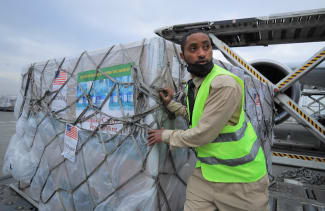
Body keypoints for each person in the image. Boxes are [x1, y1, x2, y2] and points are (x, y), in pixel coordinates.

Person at [147, 30, 269, 211]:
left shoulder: (224, 84)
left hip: (242, 179)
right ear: (183, 56)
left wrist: (165, 135)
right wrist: (170, 104)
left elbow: (203, 133)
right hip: (206, 173)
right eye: (193, 49)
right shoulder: (197, 83)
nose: (202, 53)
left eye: (206, 47)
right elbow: (195, 116)